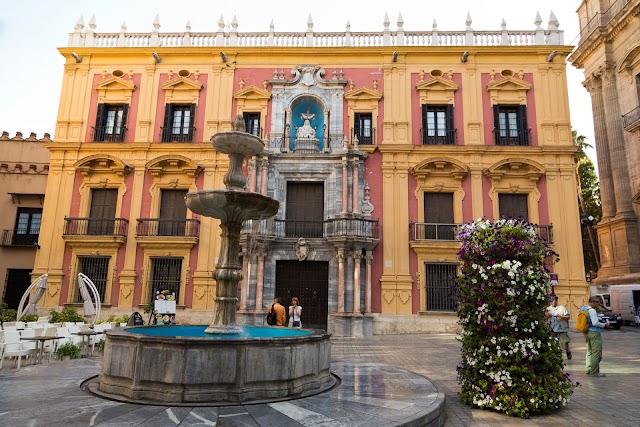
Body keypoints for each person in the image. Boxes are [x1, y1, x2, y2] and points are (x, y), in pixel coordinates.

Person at [581, 296, 609, 377]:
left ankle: (589, 369)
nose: (598, 305)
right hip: (594, 332)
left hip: (586, 331)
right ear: (593, 302)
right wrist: (604, 325)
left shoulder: (583, 308)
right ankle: (594, 372)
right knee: (596, 352)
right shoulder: (592, 310)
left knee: (589, 351)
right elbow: (595, 323)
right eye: (598, 303)